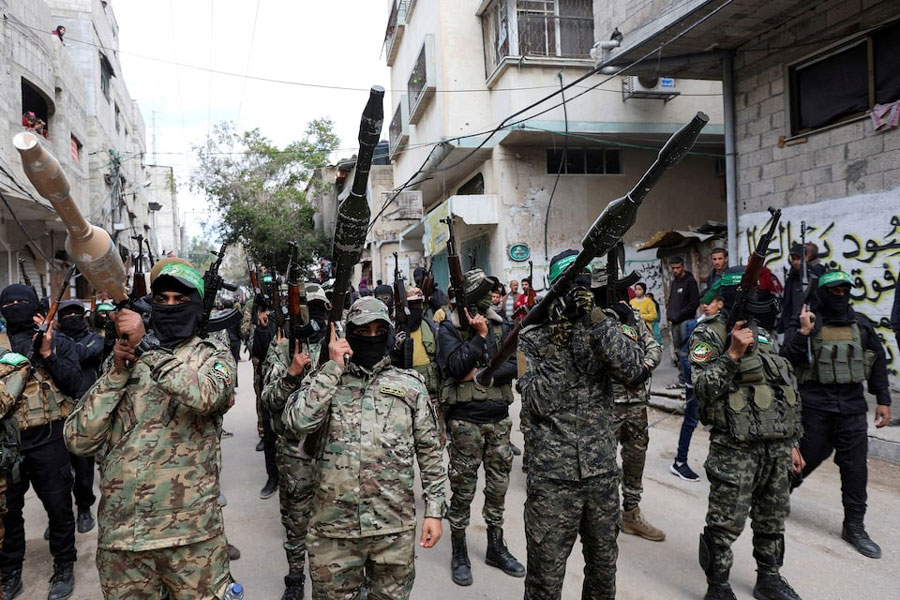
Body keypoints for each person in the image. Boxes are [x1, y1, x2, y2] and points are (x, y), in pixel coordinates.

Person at [64, 260, 237, 599]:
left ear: (198, 306)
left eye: (180, 300)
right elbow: (78, 440)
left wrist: (148, 349)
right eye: (163, 299)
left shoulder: (212, 356)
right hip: (124, 540)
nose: (170, 306)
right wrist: (116, 372)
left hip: (193, 538)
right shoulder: (122, 364)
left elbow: (206, 396)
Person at [282, 297, 446, 599]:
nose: (371, 337)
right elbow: (297, 422)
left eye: (378, 330)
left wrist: (434, 511)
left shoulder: (409, 385)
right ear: (347, 334)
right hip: (334, 533)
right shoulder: (325, 380)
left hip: (392, 530)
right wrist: (332, 368)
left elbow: (430, 451)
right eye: (362, 331)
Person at [519, 249, 646, 599]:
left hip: (601, 474)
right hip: (552, 479)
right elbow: (538, 403)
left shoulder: (603, 327)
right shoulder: (533, 336)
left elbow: (634, 372)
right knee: (545, 580)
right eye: (573, 287)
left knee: (603, 576)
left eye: (585, 287)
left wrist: (594, 317)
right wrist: (558, 341)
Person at [689, 267, 803, 600]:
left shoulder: (765, 335)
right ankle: (718, 586)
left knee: (773, 518)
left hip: (776, 445)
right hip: (735, 446)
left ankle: (769, 577)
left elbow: (781, 387)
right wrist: (733, 354)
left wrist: (793, 442)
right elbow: (701, 388)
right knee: (724, 522)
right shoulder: (710, 334)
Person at [782, 271, 892, 559]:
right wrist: (803, 332)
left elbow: (877, 359)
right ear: (822, 293)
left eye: (845, 291)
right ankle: (777, 496)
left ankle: (854, 526)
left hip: (853, 406)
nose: (840, 296)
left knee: (856, 468)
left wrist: (883, 399)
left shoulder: (861, 324)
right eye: (834, 291)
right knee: (805, 459)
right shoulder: (807, 321)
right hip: (815, 404)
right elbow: (785, 360)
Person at [437, 268, 525, 586]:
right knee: (462, 491)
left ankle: (495, 547)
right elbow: (454, 366)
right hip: (466, 423)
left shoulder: (505, 325)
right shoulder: (449, 328)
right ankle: (459, 550)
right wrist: (480, 338)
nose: (491, 298)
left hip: (499, 421)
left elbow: (517, 365)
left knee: (498, 489)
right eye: (484, 293)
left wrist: (484, 372)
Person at [0, 283, 82, 600]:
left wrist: (47, 353)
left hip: (49, 440)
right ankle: (10, 574)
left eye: (23, 301)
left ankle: (64, 567)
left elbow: (75, 382)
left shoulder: (56, 340)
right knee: (8, 513)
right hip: (8, 445)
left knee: (59, 508)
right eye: (10, 303)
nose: (16, 306)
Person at [260, 284, 329, 600]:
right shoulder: (283, 349)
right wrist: (291, 374)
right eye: (308, 310)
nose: (314, 317)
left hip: (333, 451)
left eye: (319, 310)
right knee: (296, 521)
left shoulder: (338, 348)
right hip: (295, 451)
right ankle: (296, 578)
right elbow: (269, 401)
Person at [611, 297, 665, 542]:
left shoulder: (632, 315)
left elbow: (653, 346)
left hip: (635, 405)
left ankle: (631, 513)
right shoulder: (592, 315)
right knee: (602, 464)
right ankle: (603, 515)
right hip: (605, 405)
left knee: (635, 459)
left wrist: (644, 367)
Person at [57, 300, 104, 535]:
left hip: (85, 410)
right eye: (67, 314)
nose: (72, 317)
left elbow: (87, 355)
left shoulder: (95, 339)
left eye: (76, 313)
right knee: (58, 469)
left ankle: (84, 508)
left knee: (83, 465)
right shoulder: (52, 340)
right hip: (57, 411)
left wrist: (56, 345)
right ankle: (60, 515)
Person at [672, 283, 725, 483]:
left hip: (714, 385)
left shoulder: (722, 325)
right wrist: (694, 382)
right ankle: (679, 462)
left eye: (709, 302)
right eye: (703, 302)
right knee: (691, 422)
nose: (705, 306)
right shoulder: (693, 325)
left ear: (720, 304)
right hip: (697, 385)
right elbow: (686, 357)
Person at [251, 295, 279, 499]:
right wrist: (262, 328)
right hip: (271, 386)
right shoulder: (270, 321)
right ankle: (273, 477)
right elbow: (259, 352)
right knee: (270, 436)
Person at [779, 243, 827, 334]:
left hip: (812, 322)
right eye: (793, 259)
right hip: (793, 322)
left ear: (807, 256)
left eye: (798, 258)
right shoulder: (793, 275)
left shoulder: (816, 273)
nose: (795, 262)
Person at [666, 256, 700, 371]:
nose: (675, 270)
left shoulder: (690, 281)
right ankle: (683, 378)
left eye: (678, 268)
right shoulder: (674, 282)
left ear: (683, 267)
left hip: (686, 322)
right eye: (673, 268)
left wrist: (680, 314)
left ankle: (690, 379)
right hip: (675, 323)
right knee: (678, 352)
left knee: (687, 351)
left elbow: (694, 303)